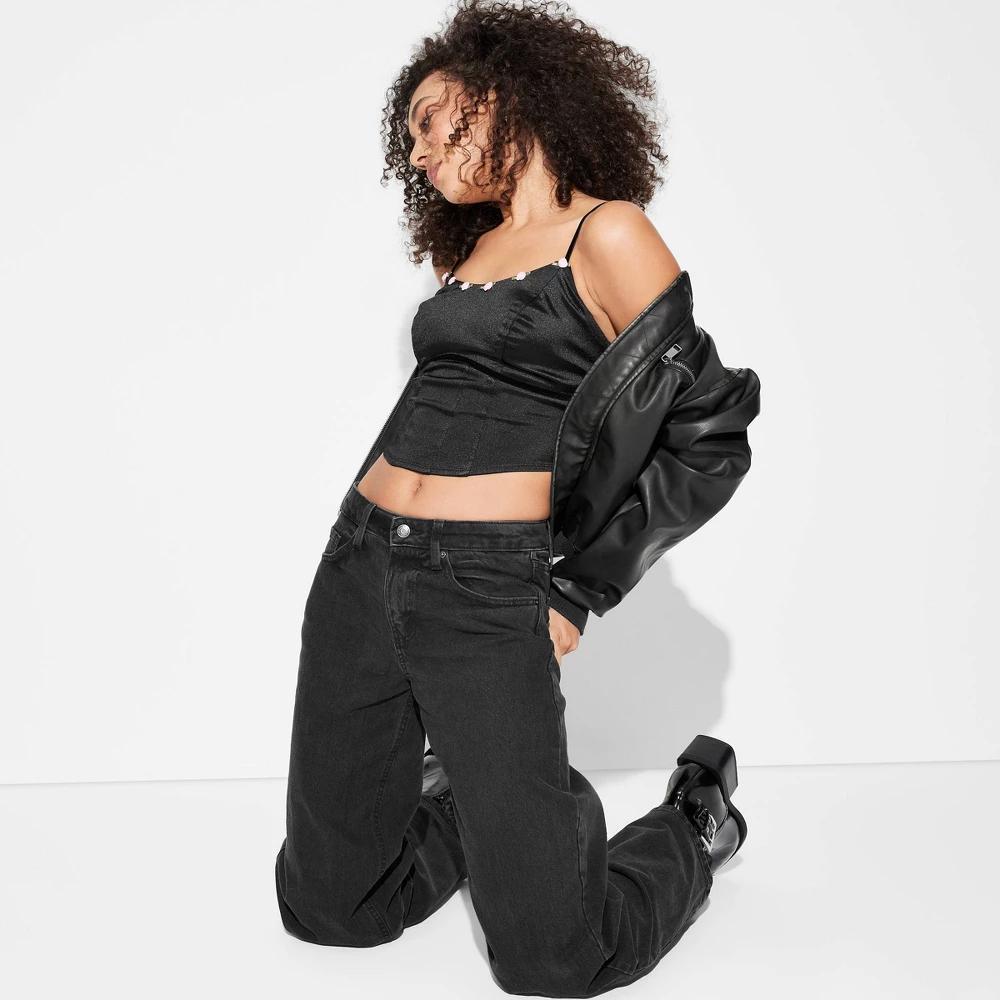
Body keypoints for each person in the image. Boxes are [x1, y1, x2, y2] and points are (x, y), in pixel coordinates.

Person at [275, 2, 760, 995]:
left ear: (500, 94)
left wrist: (578, 588)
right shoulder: (469, 253)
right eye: (409, 139)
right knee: (330, 906)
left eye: (430, 121)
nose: (418, 153)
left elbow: (711, 431)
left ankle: (693, 823)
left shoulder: (606, 232)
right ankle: (475, 808)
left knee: (550, 957)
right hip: (361, 562)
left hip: (485, 587)